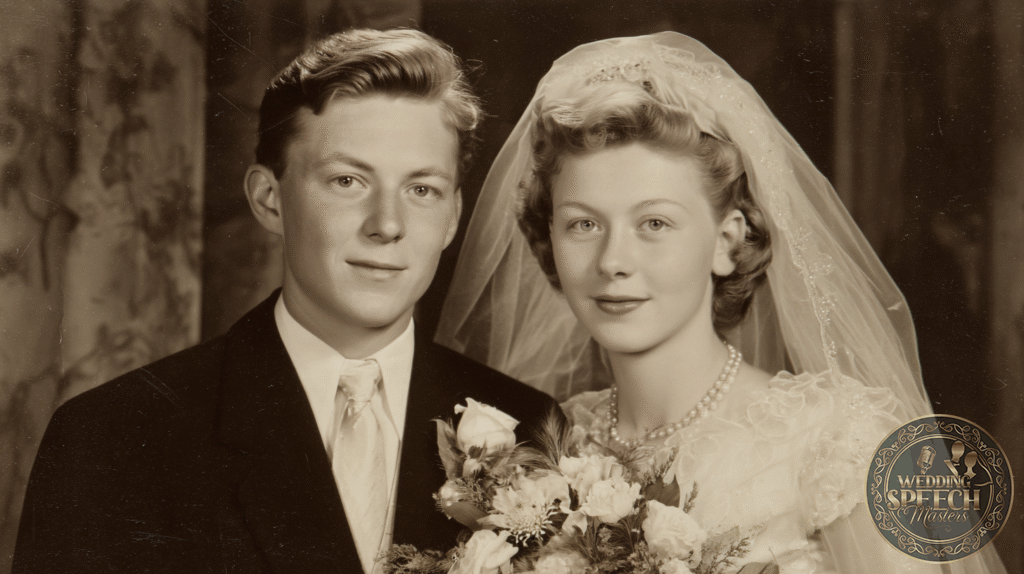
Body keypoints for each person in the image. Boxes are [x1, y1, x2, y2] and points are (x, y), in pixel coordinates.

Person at [436, 33, 1008, 573]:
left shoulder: (838, 442)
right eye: (583, 224)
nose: (613, 261)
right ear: (549, 237)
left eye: (654, 223)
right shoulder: (545, 449)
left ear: (727, 242)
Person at [13, 28, 560, 574]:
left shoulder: (531, 428)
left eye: (422, 190)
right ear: (268, 199)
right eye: (347, 181)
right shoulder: (112, 436)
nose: (388, 225)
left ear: (452, 217)